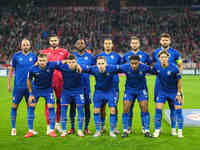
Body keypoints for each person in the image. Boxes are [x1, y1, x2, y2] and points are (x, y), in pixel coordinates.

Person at [152, 33, 183, 136]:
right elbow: (152, 65)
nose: (165, 42)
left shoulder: (175, 53)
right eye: (163, 40)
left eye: (166, 40)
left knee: (173, 107)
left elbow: (180, 64)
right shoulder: (156, 52)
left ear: (169, 41)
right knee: (158, 107)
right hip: (159, 83)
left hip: (173, 84)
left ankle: (174, 129)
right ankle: (158, 128)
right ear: (160, 41)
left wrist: (179, 76)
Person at [24, 53, 60, 138]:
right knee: (31, 107)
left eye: (44, 60)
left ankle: (51, 130)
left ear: (47, 61)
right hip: (36, 90)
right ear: (37, 61)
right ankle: (30, 130)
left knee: (51, 107)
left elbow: (62, 62)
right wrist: (31, 93)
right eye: (40, 60)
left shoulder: (51, 65)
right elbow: (28, 80)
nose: (42, 62)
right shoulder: (32, 69)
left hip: (48, 90)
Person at [8, 39, 37, 136]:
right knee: (14, 106)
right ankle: (13, 128)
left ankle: (31, 129)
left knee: (31, 107)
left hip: (30, 87)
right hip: (18, 87)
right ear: (21, 46)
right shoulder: (16, 56)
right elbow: (11, 71)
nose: (25, 46)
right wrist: (9, 84)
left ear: (30, 46)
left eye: (27, 44)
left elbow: (37, 70)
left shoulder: (34, 56)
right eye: (24, 45)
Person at [122, 36, 152, 134]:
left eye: (136, 43)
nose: (134, 44)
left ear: (139, 44)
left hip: (141, 88)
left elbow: (152, 67)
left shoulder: (145, 55)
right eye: (133, 43)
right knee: (127, 108)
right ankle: (127, 129)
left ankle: (145, 129)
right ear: (130, 44)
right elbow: (119, 67)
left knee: (144, 107)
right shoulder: (126, 55)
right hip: (129, 88)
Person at [84, 56, 118, 137]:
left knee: (113, 110)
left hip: (110, 92)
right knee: (96, 111)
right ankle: (98, 131)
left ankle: (112, 131)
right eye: (99, 64)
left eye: (102, 63)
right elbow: (83, 68)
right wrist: (77, 66)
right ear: (96, 64)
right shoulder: (93, 69)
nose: (101, 65)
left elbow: (123, 67)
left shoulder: (111, 68)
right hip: (98, 92)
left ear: (106, 63)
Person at [41, 35, 69, 134]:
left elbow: (68, 64)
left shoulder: (64, 52)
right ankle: (49, 125)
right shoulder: (44, 52)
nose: (53, 42)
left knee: (60, 102)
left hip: (61, 81)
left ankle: (57, 123)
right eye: (52, 40)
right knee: (48, 103)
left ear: (58, 41)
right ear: (49, 42)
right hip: (47, 81)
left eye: (55, 40)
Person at [68, 39, 95, 135]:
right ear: (75, 45)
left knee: (87, 107)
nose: (80, 45)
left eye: (82, 43)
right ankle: (72, 127)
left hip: (86, 87)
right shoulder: (71, 56)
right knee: (73, 107)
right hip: (74, 86)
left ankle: (86, 128)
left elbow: (95, 69)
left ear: (85, 45)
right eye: (78, 43)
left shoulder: (90, 57)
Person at [95, 38, 122, 133]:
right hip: (101, 86)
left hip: (114, 85)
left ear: (112, 45)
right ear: (103, 44)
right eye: (106, 43)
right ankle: (102, 126)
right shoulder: (99, 56)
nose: (107, 45)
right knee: (101, 107)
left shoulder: (117, 56)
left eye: (109, 43)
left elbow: (121, 68)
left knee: (114, 106)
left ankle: (114, 127)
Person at [57, 55, 85, 137]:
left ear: (76, 62)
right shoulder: (63, 67)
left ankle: (80, 130)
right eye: (69, 62)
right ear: (67, 62)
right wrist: (64, 61)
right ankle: (64, 130)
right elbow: (52, 64)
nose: (71, 64)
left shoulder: (80, 68)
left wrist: (79, 65)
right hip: (66, 92)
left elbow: (92, 69)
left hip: (78, 91)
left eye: (73, 62)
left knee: (80, 109)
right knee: (63, 110)